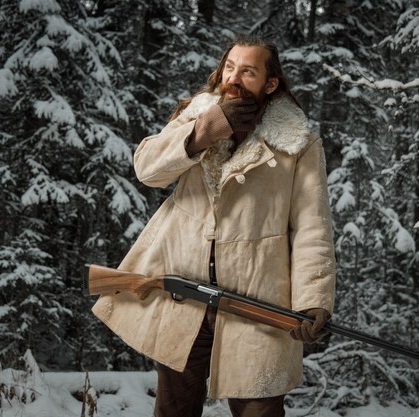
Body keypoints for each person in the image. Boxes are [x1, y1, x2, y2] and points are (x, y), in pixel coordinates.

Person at [92, 36, 336, 417]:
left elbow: (312, 226)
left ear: (269, 84)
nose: (234, 78)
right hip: (182, 296)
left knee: (260, 411)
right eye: (230, 67)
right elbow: (147, 170)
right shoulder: (196, 115)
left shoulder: (299, 143)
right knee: (174, 410)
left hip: (258, 298)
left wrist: (313, 298)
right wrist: (201, 134)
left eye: (248, 71)